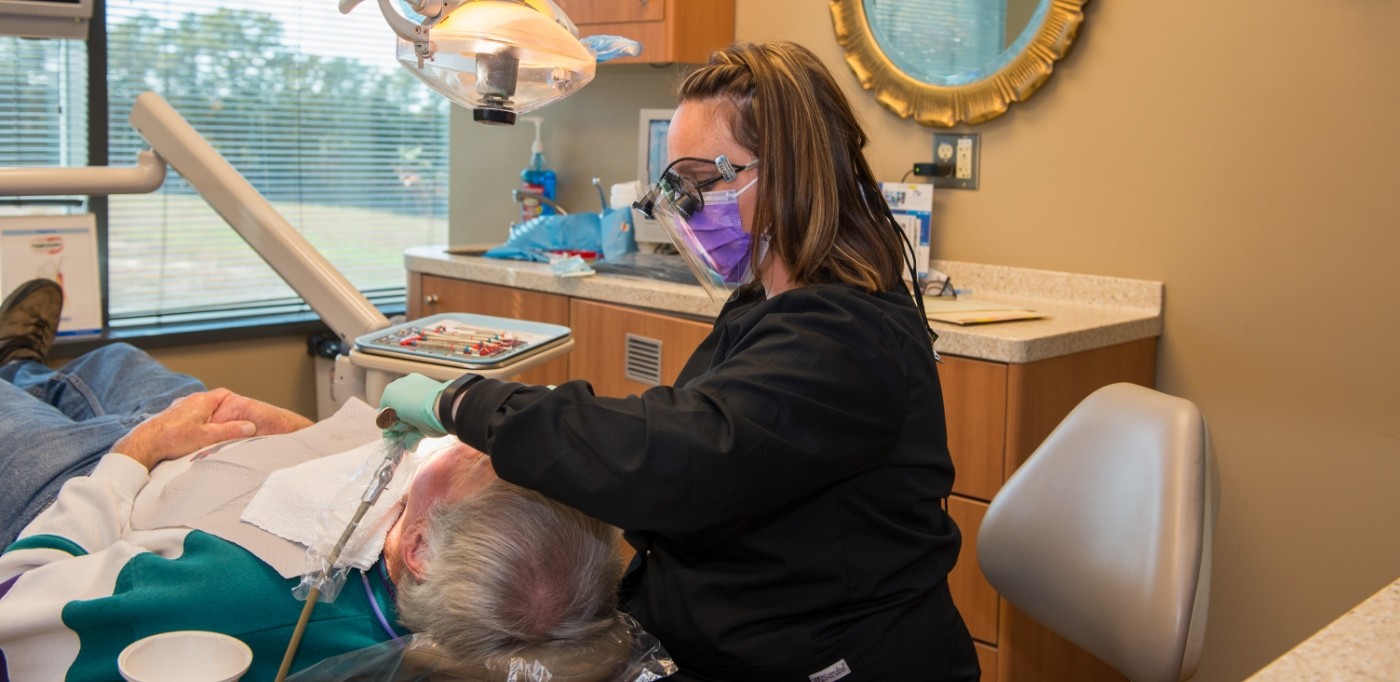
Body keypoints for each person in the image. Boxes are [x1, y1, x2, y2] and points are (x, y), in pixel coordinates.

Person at [379, 41, 980, 680]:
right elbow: (683, 439)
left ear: (792, 172)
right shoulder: (765, 307)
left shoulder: (845, 337)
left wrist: (464, 403)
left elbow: (678, 457)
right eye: (674, 188)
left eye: (700, 183)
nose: (685, 210)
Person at [0, 279, 624, 680]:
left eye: (478, 460)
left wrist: (133, 453)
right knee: (116, 361)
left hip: (101, 488)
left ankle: (16, 367)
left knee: (33, 402)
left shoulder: (228, 590)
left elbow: (16, 598)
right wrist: (301, 436)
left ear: (421, 550)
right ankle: (26, 364)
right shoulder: (448, 560)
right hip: (236, 452)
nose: (463, 442)